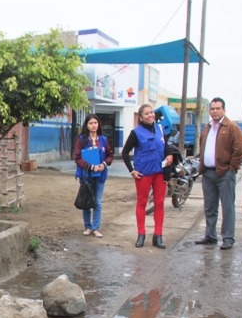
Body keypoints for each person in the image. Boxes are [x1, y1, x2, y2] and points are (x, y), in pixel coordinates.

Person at [194, 97, 242, 250]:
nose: (215, 111)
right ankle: (210, 236)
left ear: (224, 110)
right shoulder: (207, 127)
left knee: (227, 207)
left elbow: (240, 150)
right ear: (209, 111)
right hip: (208, 174)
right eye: (212, 108)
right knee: (210, 207)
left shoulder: (232, 127)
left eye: (218, 108)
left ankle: (228, 238)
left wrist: (231, 168)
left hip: (225, 174)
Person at [122, 104, 175, 249]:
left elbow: (168, 146)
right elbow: (125, 152)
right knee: (142, 203)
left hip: (160, 172)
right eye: (146, 114)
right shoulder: (136, 133)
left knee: (160, 203)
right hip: (143, 174)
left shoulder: (160, 129)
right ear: (140, 117)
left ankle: (158, 236)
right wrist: (132, 171)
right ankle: (141, 234)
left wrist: (170, 155)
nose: (150, 115)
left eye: (152, 112)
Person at [74, 114, 114, 238]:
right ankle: (88, 227)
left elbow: (110, 155)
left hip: (100, 175)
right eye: (91, 123)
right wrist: (91, 167)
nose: (93, 125)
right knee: (86, 200)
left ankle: (96, 228)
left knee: (97, 202)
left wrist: (103, 163)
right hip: (86, 175)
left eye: (95, 123)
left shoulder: (103, 140)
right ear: (87, 125)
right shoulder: (81, 140)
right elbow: (77, 158)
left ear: (98, 125)